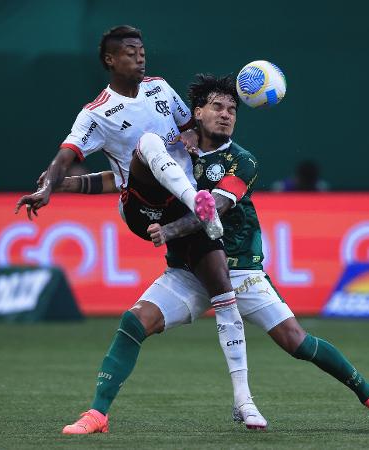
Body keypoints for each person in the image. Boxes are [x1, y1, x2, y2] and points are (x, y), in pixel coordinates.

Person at [56, 74, 369, 433]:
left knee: (296, 341)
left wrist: (171, 230)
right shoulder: (173, 150)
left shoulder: (243, 161)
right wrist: (62, 184)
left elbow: (216, 206)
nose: (226, 115)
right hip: (188, 272)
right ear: (197, 113)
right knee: (133, 322)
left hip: (240, 268)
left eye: (232, 110)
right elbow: (124, 178)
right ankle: (98, 414)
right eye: (217, 107)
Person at [15, 26, 263, 432]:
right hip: (143, 207)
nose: (140, 57)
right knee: (149, 144)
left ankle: (245, 402)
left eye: (143, 50)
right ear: (111, 61)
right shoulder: (96, 112)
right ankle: (198, 203)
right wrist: (49, 185)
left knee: (224, 297)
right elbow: (66, 154)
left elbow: (190, 132)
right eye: (130, 52)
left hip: (185, 210)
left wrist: (217, 132)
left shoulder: (161, 90)